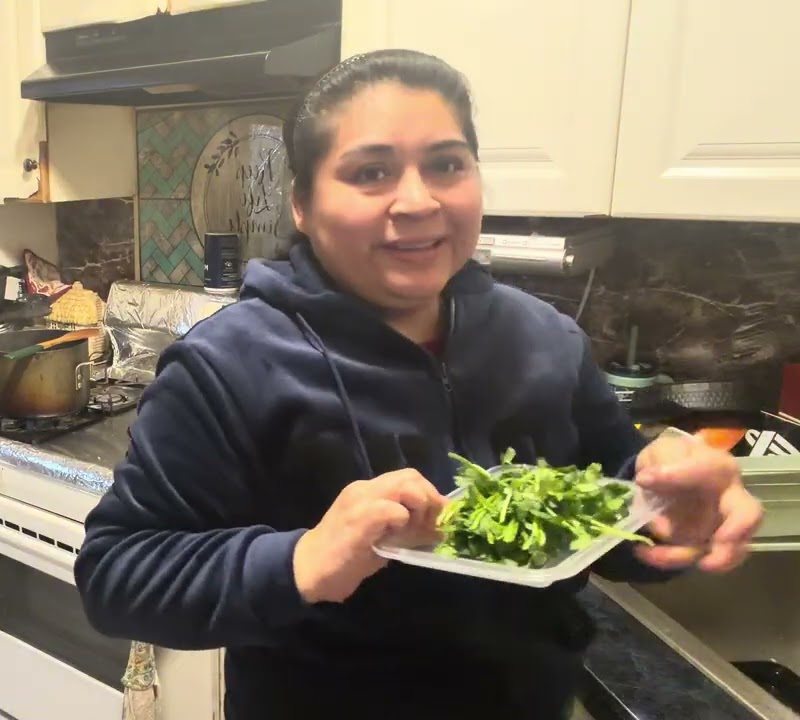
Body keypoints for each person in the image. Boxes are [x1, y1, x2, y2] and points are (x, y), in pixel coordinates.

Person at [74, 49, 763, 719]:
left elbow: (611, 510)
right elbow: (117, 576)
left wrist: (663, 514)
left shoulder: (545, 338)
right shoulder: (228, 366)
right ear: (304, 206)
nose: (418, 200)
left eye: (447, 165)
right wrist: (303, 558)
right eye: (371, 171)